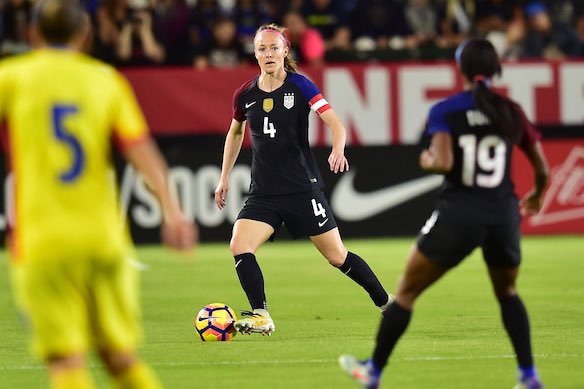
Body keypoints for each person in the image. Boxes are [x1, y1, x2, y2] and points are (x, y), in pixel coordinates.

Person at [0, 0, 197, 388]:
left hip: (43, 240)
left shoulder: (12, 77)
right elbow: (143, 153)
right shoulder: (106, 80)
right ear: (85, 35)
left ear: (32, 34)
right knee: (120, 359)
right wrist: (172, 213)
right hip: (104, 239)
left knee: (67, 364)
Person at [339, 38, 549, 389]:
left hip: (460, 214)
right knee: (508, 293)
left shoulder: (447, 110)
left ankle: (373, 370)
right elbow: (542, 169)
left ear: (461, 69)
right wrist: (538, 196)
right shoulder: (511, 110)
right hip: (502, 215)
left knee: (405, 293)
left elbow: (444, 162)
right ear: (496, 68)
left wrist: (425, 159)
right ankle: (528, 375)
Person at [214, 23, 392, 336]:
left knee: (337, 256)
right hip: (264, 194)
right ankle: (261, 314)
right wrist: (224, 177)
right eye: (262, 49)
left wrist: (338, 149)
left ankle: (386, 303)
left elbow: (336, 123)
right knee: (239, 245)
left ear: (285, 51)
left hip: (301, 189)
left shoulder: (300, 86)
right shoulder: (245, 94)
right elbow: (235, 132)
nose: (268, 54)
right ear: (255, 55)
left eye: (273, 48)